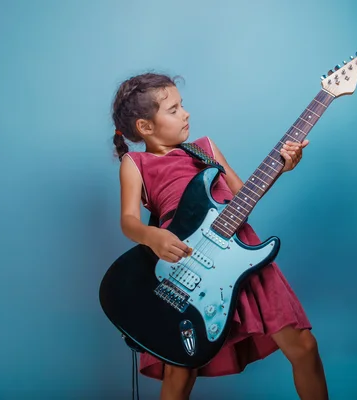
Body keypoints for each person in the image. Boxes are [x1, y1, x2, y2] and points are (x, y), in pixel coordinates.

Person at [111, 72, 329, 400]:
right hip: (186, 267)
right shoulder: (135, 163)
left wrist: (282, 166)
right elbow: (129, 221)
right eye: (173, 110)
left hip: (241, 256)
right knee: (179, 371)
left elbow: (244, 197)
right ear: (145, 127)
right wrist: (153, 237)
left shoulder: (205, 148)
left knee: (304, 345)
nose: (185, 114)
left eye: (182, 106)